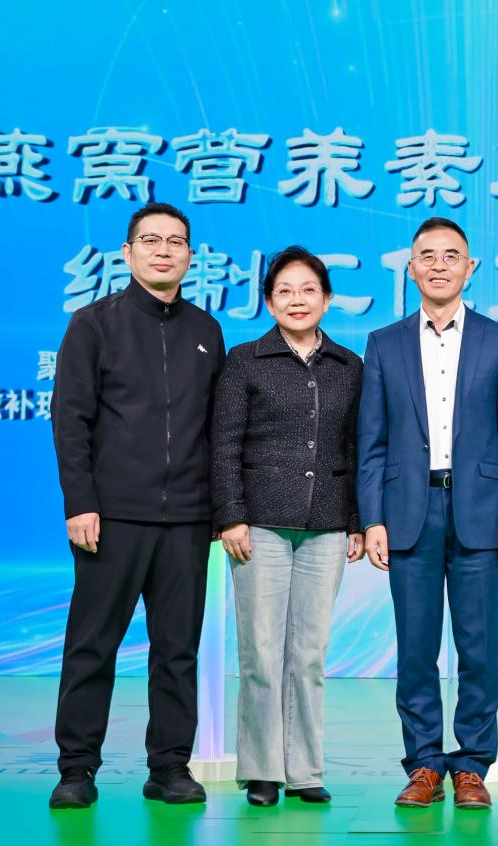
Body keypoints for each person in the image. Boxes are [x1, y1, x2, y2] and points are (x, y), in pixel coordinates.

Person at [49, 201, 225, 809]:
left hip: (187, 519)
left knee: (177, 650)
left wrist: (218, 510)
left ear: (190, 256)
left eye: (176, 242)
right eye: (151, 240)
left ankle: (170, 766)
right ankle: (77, 769)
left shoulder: (206, 331)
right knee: (92, 644)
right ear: (128, 253)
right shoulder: (93, 324)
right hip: (112, 516)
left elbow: (216, 428)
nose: (163, 251)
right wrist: (81, 502)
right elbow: (70, 420)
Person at [357, 217, 498, 810]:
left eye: (451, 255)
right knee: (415, 649)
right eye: (426, 255)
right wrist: (372, 519)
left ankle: (473, 764)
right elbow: (371, 442)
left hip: (480, 511)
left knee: (478, 648)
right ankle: (425, 763)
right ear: (410, 268)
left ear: (470, 267)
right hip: (408, 510)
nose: (438, 265)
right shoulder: (384, 343)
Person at [210, 246, 364, 807]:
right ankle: (261, 769)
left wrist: (355, 522)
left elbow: (355, 448)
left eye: (308, 290)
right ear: (269, 302)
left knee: (309, 653)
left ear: (327, 298)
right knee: (260, 650)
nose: (297, 300)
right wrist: (230, 516)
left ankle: (305, 770)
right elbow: (223, 444)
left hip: (326, 523)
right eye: (284, 291)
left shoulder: (349, 366)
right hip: (260, 524)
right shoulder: (245, 360)